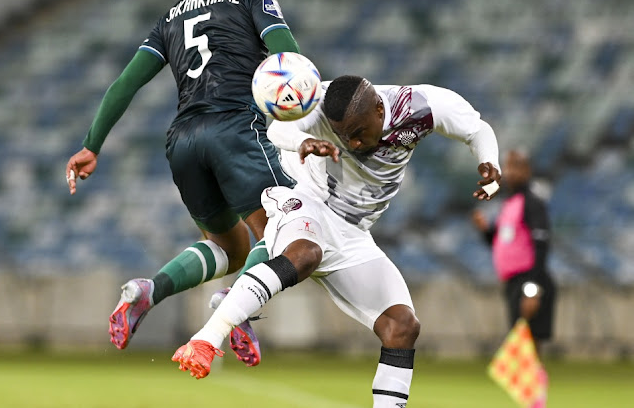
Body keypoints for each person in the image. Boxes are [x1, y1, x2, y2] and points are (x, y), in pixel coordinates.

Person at [172, 75, 502, 408]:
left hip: (354, 232)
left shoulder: (421, 105)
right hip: (306, 199)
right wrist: (302, 140)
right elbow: (277, 129)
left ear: (378, 108)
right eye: (345, 137)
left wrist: (489, 161)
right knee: (306, 253)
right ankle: (205, 340)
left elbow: (477, 129)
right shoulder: (318, 101)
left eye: (359, 133)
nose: (354, 145)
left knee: (402, 326)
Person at [65, 0, 300, 362]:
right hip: (236, 127)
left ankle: (147, 291)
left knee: (232, 249)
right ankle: (236, 306)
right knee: (285, 230)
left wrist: (91, 144)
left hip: (184, 142)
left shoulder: (170, 16)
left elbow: (125, 83)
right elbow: (289, 59)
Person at [471, 149, 555, 352]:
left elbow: (541, 244)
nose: (510, 172)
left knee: (530, 343)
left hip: (530, 279)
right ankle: (531, 384)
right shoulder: (509, 204)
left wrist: (532, 291)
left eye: (516, 166)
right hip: (513, 283)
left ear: (527, 170)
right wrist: (485, 230)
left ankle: (535, 384)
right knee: (521, 344)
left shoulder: (532, 203)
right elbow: (501, 242)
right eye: (507, 166)